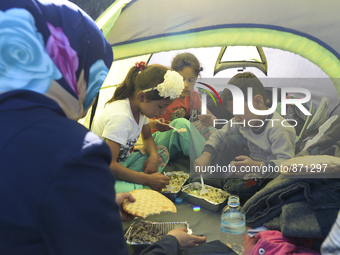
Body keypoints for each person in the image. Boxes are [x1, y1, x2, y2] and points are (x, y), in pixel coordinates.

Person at [0, 1, 206, 254]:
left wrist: (98, 202)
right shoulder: (74, 151)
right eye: (96, 76)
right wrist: (171, 242)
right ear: (73, 70)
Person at [194, 72, 296, 201]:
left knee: (243, 189)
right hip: (246, 168)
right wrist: (205, 156)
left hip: (266, 176)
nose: (236, 119)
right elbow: (220, 134)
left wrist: (256, 166)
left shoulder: (280, 130)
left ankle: (223, 185)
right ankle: (214, 177)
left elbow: (287, 165)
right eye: (233, 114)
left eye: (239, 113)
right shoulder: (242, 120)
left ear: (258, 101)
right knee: (231, 139)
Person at [91, 62, 186, 193]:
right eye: (160, 106)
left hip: (123, 162)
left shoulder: (140, 109)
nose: (163, 112)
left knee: (160, 153)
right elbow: (109, 164)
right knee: (139, 191)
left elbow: (146, 137)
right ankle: (136, 185)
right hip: (101, 170)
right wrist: (146, 179)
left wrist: (153, 156)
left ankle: (133, 182)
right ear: (142, 96)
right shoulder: (121, 118)